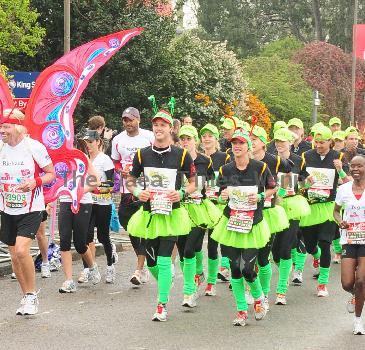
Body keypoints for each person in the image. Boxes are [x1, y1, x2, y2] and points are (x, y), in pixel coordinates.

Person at [126, 109, 196, 322]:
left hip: (171, 214)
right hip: (149, 215)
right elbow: (129, 180)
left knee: (165, 260)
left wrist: (182, 193)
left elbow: (195, 183)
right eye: (156, 125)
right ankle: (167, 280)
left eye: (163, 125)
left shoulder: (181, 154)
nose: (158, 128)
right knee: (152, 263)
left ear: (170, 129)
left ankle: (161, 305)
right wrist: (138, 192)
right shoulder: (142, 154)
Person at [211, 129, 277, 326]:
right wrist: (221, 196)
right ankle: (241, 310)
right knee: (234, 269)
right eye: (234, 143)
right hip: (230, 224)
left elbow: (274, 188)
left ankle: (258, 298)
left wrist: (260, 196)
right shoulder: (226, 169)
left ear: (248, 146)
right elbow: (218, 193)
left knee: (247, 268)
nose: (237, 146)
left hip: (252, 224)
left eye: (241, 143)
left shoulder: (260, 167)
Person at [0, 108, 55, 315]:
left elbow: (51, 173)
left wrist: (35, 181)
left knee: (23, 250)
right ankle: (25, 297)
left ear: (18, 127)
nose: (2, 130)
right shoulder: (1, 147)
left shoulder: (34, 147)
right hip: (7, 209)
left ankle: (32, 295)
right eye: (1, 126)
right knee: (14, 256)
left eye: (6, 126)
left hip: (31, 208)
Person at [299, 125, 349, 297]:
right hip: (310, 206)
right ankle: (316, 256)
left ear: (330, 142)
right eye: (316, 142)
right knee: (310, 245)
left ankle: (322, 284)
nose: (318, 145)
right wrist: (306, 182)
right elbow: (298, 182)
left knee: (325, 243)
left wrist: (340, 170)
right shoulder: (306, 156)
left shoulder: (339, 157)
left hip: (329, 207)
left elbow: (349, 182)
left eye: (322, 142)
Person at [177, 125, 220, 306]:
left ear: (195, 141)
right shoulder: (175, 159)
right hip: (180, 209)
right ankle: (197, 274)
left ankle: (190, 291)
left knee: (190, 248)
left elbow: (213, 182)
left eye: (189, 138)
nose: (185, 142)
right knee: (183, 251)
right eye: (183, 139)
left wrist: (213, 191)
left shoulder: (204, 161)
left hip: (199, 209)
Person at [111, 107, 154, 286]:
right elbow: (115, 161)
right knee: (129, 225)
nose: (128, 123)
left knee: (144, 226)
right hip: (127, 189)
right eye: (125, 120)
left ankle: (139, 268)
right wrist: (121, 171)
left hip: (146, 189)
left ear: (138, 120)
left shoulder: (148, 137)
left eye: (131, 119)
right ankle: (143, 262)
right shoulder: (117, 140)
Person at [250, 125, 291, 310]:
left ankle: (264, 293)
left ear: (263, 143)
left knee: (262, 257)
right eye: (248, 139)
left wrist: (279, 192)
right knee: (247, 257)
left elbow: (289, 170)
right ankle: (252, 288)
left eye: (254, 139)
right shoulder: (242, 159)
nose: (250, 143)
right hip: (247, 213)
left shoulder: (274, 160)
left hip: (268, 213)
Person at [272, 128, 310, 304]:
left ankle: (281, 291)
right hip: (274, 206)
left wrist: (307, 182)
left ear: (290, 142)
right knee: (275, 252)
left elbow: (303, 178)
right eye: (277, 141)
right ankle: (285, 272)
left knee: (286, 247)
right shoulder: (272, 160)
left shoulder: (297, 160)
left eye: (283, 141)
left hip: (292, 205)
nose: (279, 144)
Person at [58, 137, 101, 293]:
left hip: (83, 202)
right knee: (63, 240)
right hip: (65, 201)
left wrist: (80, 191)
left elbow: (96, 180)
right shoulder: (59, 160)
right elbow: (54, 182)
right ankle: (68, 280)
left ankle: (92, 266)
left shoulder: (83, 160)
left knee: (80, 242)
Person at [334, 155, 365, 335]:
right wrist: (340, 222)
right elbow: (336, 212)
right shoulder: (344, 189)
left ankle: (358, 321)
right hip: (349, 239)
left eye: (359, 166)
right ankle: (356, 295)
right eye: (352, 166)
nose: (355, 169)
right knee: (347, 283)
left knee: (361, 281)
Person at [80, 130, 116, 284]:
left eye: (91, 142)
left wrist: (97, 187)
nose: (88, 145)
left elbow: (112, 183)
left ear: (98, 142)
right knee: (85, 237)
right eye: (86, 142)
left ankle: (110, 266)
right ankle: (88, 269)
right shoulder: (84, 159)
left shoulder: (105, 160)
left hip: (103, 203)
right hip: (88, 202)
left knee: (102, 237)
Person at [200, 123, 231, 290]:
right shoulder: (197, 158)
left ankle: (218, 275)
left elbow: (231, 178)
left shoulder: (224, 157)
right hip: (202, 205)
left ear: (216, 139)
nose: (206, 139)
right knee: (205, 244)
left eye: (210, 136)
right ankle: (207, 277)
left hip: (220, 206)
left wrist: (222, 191)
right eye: (204, 136)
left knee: (218, 241)